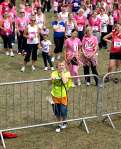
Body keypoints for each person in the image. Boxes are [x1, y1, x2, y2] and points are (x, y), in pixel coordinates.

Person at [50, 59, 72, 132]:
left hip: (63, 95)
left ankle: (64, 121)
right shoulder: (54, 73)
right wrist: (50, 79)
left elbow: (65, 81)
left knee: (63, 111)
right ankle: (59, 123)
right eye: (60, 65)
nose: (61, 66)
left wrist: (62, 72)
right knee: (56, 111)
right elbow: (49, 83)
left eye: (63, 65)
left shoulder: (67, 73)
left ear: (65, 66)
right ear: (57, 66)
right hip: (54, 96)